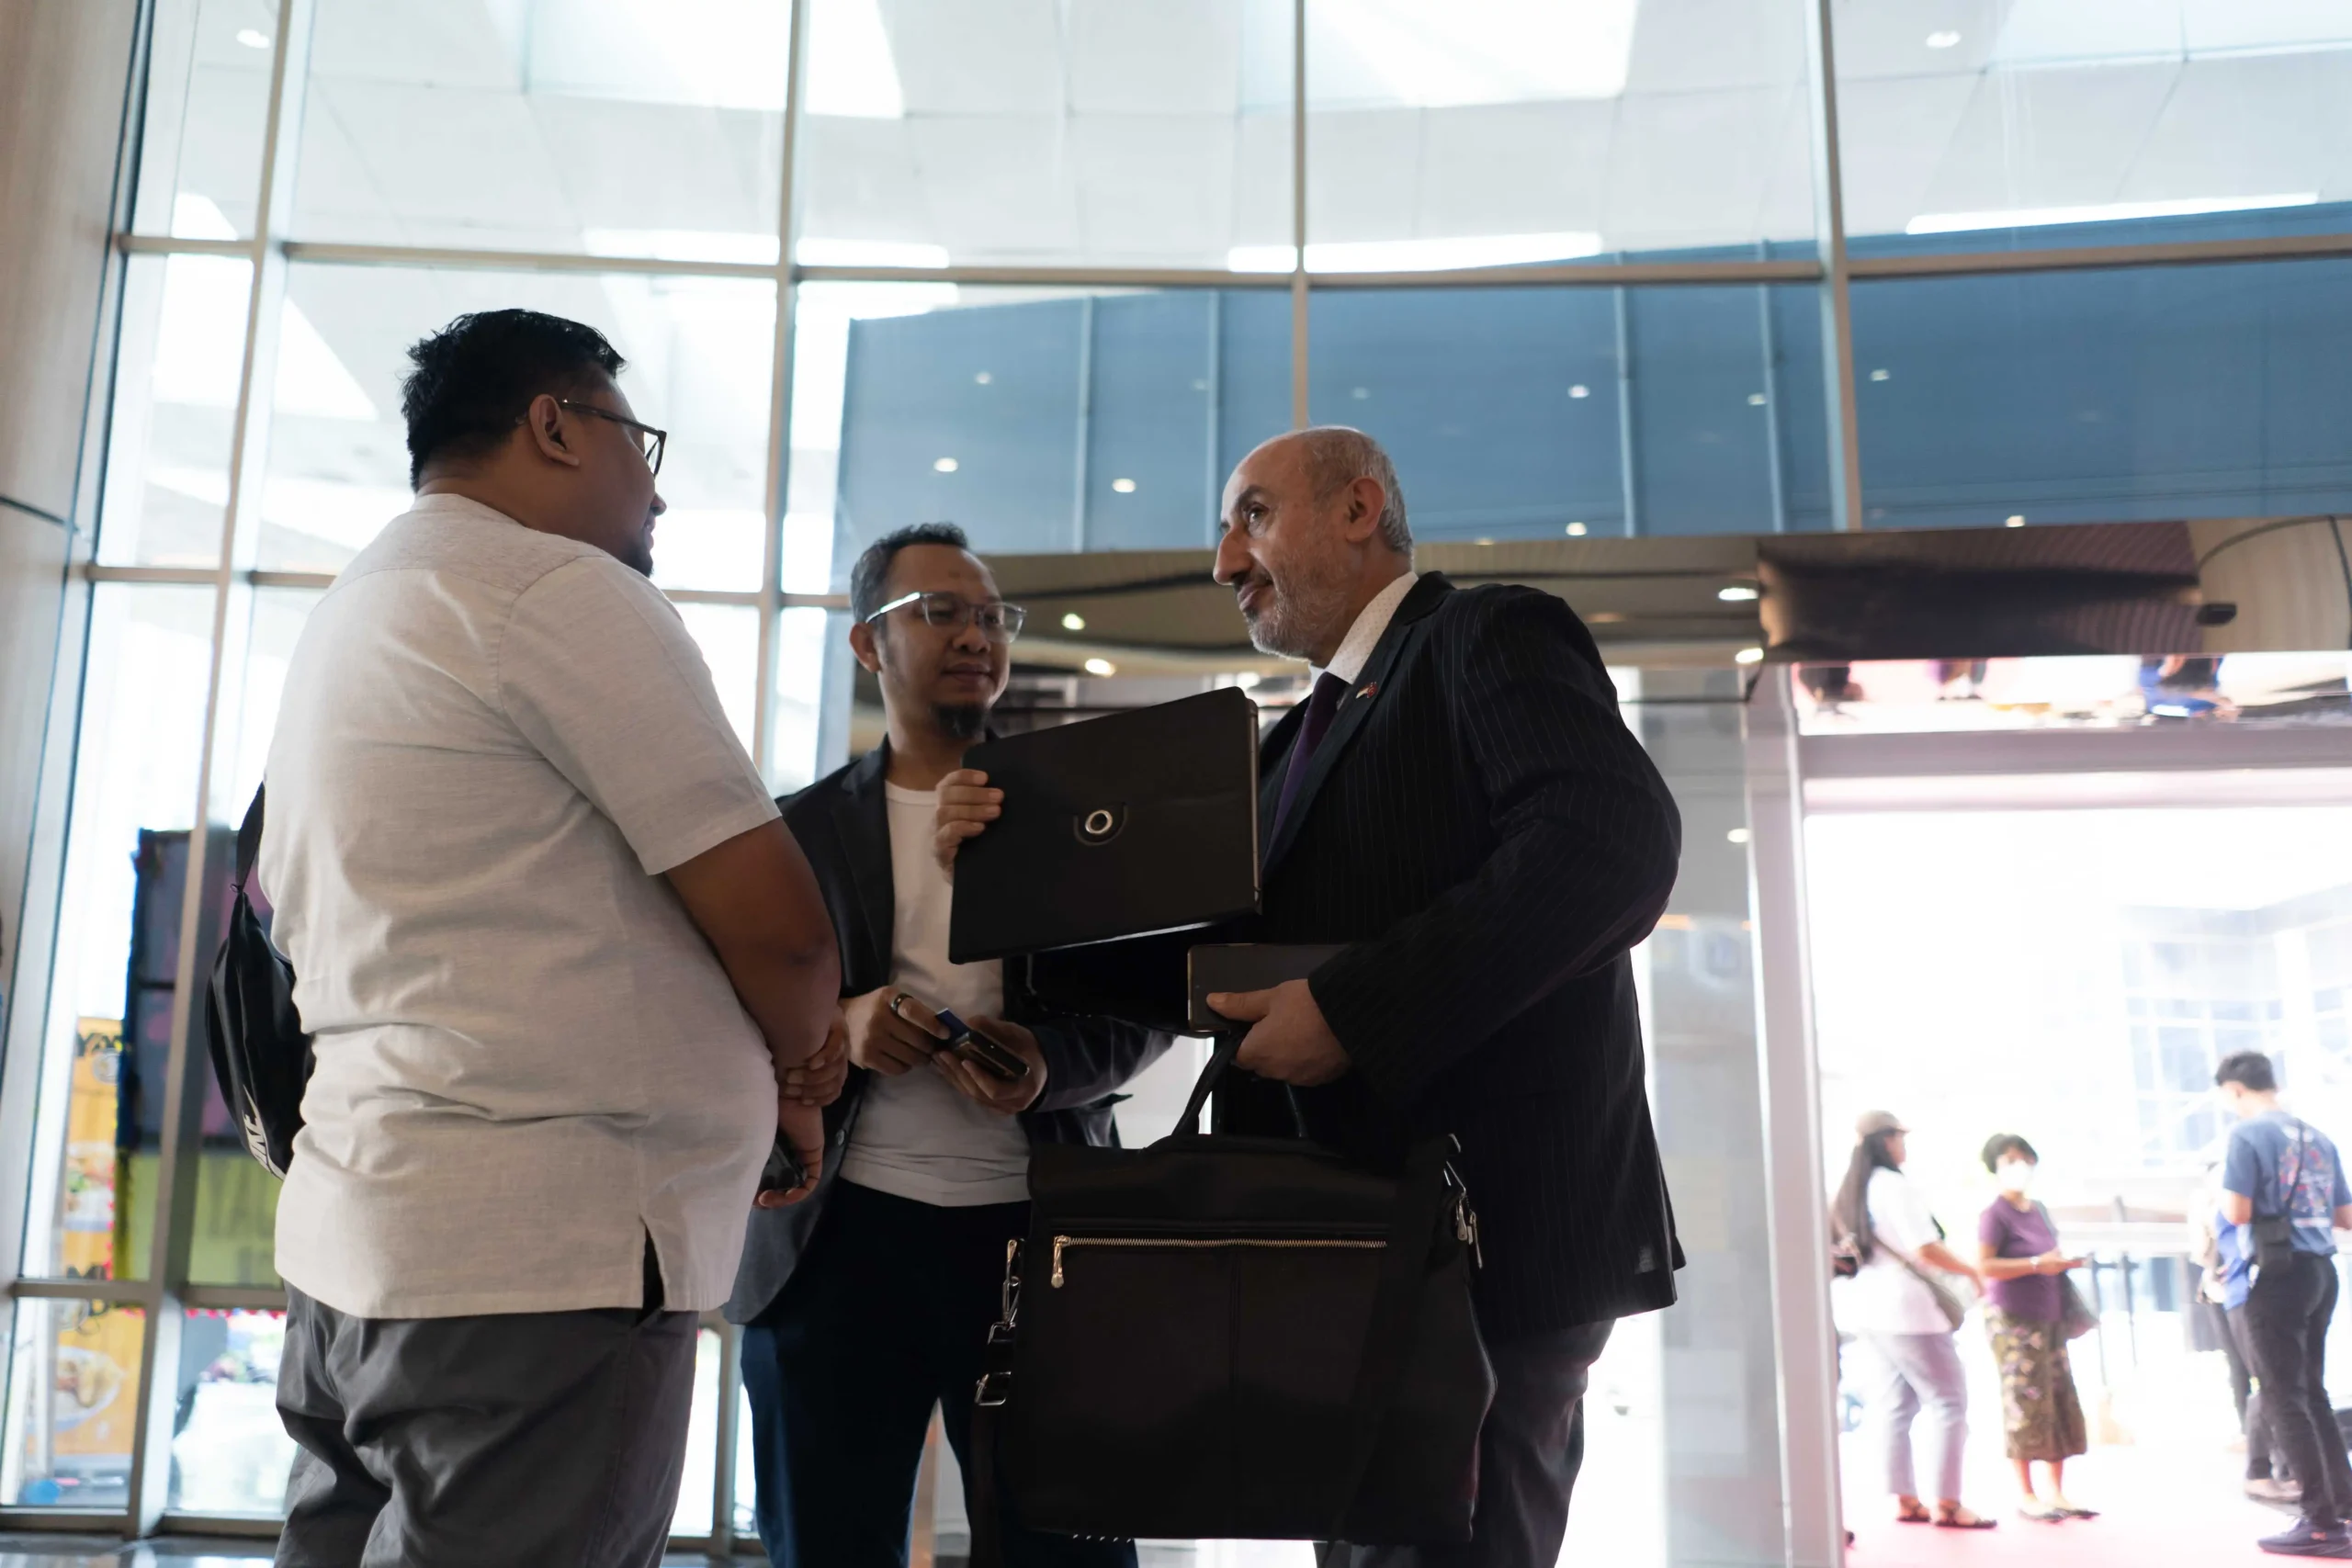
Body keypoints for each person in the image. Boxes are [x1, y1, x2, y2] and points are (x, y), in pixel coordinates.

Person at [941, 427, 1686, 1568]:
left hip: (1487, 1241)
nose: (1223, 563)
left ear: (1357, 509)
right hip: (1349, 1246)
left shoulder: (1486, 633)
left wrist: (1350, 1012)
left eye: (1251, 516)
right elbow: (1226, 968)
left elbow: (1606, 847)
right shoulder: (1292, 743)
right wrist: (1001, 882)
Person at [259, 310, 841, 1568]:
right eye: (641, 441)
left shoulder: (356, 610)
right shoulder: (550, 588)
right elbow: (784, 931)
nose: (656, 491)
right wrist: (802, 1077)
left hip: (361, 1239)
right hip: (540, 1266)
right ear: (556, 425)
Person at [728, 523, 1166, 1568]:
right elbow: (721, 1010)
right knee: (826, 1548)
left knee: (1067, 1552)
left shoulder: (1075, 818)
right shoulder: (794, 831)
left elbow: (1147, 1005)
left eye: (989, 615)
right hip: (835, 1244)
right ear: (867, 645)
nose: (975, 635)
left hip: (1035, 1241)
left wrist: (1048, 1065)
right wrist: (840, 1024)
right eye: (939, 612)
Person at [1829, 1111, 1995, 1530]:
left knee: (1896, 1405)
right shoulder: (1893, 1185)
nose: (1903, 1145)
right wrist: (1971, 1271)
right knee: (1949, 1402)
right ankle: (1949, 1503)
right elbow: (1925, 1247)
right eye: (1900, 1138)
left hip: (1871, 1307)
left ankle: (1904, 1498)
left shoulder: (1853, 1189)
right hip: (1911, 1311)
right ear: (1886, 1141)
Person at [2216, 1051, 2352, 1557]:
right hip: (2321, 1271)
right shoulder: (2318, 1137)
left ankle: (2319, 1523)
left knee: (2281, 1396)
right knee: (2312, 1393)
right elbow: (2346, 1216)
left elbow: (2237, 1210)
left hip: (2277, 1274)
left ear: (2234, 1090)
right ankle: (2342, 1505)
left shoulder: (2247, 1136)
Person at [1973, 1134, 2092, 1522]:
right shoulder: (1994, 1214)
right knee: (2024, 1400)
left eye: (2024, 1158)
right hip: (2014, 1319)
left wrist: (2060, 1263)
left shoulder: (2037, 1209)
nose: (2019, 1166)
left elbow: (2050, 1254)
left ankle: (2057, 1490)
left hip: (2050, 1314)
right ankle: (2026, 1493)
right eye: (2009, 1160)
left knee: (2058, 1396)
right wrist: (2037, 1264)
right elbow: (1986, 1266)